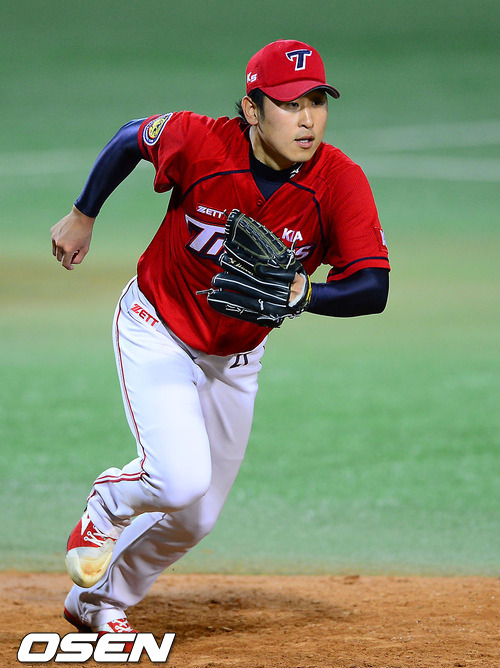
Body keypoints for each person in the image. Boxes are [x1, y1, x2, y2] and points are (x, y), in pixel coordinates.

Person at [51, 39, 390, 636]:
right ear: (252, 109)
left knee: (196, 517)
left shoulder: (339, 181)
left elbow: (373, 287)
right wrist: (83, 214)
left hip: (236, 358)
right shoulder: (201, 140)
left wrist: (305, 294)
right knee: (178, 477)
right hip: (158, 327)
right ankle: (106, 505)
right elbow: (132, 138)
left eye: (316, 101)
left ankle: (96, 601)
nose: (307, 119)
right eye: (289, 103)